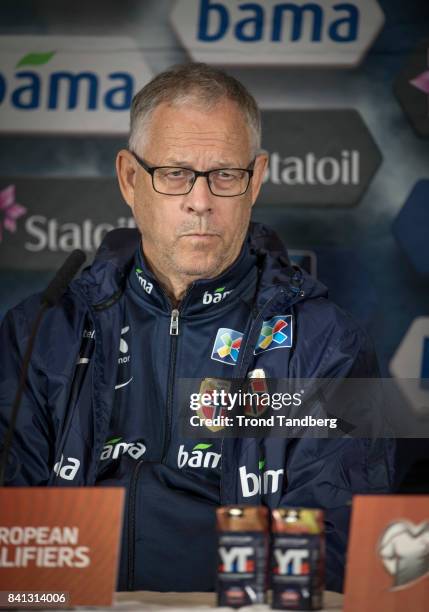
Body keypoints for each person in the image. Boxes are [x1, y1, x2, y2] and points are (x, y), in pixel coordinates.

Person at [0, 63, 393, 592]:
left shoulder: (326, 345)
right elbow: (13, 543)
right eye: (175, 173)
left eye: (225, 176)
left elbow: (332, 559)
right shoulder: (41, 332)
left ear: (255, 180)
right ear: (130, 179)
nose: (201, 201)